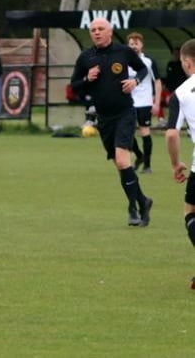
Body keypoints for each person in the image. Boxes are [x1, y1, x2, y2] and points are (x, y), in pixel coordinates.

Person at [69, 18, 153, 227]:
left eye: (100, 29)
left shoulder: (123, 52)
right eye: (93, 30)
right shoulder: (86, 57)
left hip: (125, 112)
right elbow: (75, 86)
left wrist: (135, 81)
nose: (96, 32)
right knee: (121, 166)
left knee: (124, 161)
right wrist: (87, 79)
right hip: (104, 119)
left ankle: (133, 209)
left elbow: (142, 70)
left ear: (110, 31)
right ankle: (142, 201)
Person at [164, 38, 195, 289]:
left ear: (186, 62)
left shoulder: (181, 93)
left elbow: (172, 134)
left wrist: (176, 164)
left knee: (191, 214)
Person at [127, 32, 161, 174]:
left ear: (142, 45)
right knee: (128, 133)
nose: (134, 46)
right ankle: (139, 156)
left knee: (145, 132)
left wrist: (156, 103)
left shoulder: (148, 61)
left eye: (137, 43)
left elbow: (157, 82)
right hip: (128, 103)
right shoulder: (124, 61)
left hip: (145, 102)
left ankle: (147, 165)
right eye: (131, 44)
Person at [160, 46, 188, 126]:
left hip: (180, 91)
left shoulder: (183, 65)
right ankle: (161, 120)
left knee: (173, 102)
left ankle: (179, 122)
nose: (176, 55)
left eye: (177, 54)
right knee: (156, 98)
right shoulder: (170, 64)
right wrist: (164, 84)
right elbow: (168, 77)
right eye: (174, 54)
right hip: (169, 90)